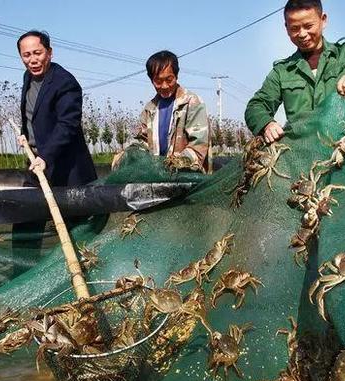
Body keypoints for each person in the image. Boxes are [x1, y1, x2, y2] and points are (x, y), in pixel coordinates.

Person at [245, 0, 345, 143]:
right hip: (302, 157)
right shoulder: (282, 71)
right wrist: (267, 124)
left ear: (323, 20)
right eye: (295, 28)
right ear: (286, 28)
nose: (302, 34)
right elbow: (256, 106)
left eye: (308, 26)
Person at [13, 30, 97, 258]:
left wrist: (45, 156)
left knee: (76, 234)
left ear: (49, 53)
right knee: (25, 220)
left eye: (38, 53)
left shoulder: (65, 83)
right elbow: (32, 115)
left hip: (65, 170)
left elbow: (67, 125)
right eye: (26, 55)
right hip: (36, 165)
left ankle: (82, 278)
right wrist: (25, 134)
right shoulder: (27, 78)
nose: (33, 59)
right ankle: (21, 274)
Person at [112, 50, 210, 171]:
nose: (164, 86)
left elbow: (198, 145)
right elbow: (144, 142)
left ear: (176, 76)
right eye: (158, 81)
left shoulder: (192, 102)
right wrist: (130, 154)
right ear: (151, 80)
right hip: (158, 178)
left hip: (189, 178)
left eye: (169, 80)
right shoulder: (149, 109)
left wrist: (175, 163)